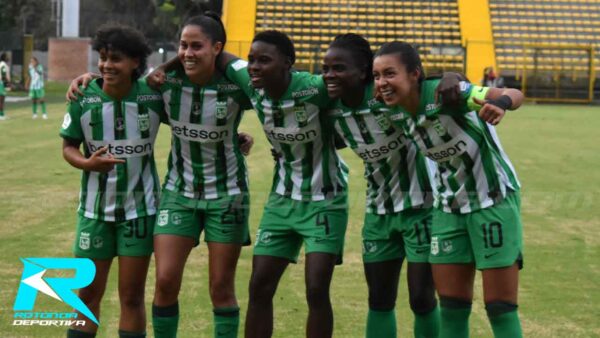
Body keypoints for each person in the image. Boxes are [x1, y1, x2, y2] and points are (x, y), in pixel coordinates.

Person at [68, 13, 255, 338]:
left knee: (220, 286)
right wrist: (89, 78)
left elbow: (268, 96)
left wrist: (237, 136)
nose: (187, 52)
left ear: (217, 48)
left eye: (197, 46)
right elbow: (120, 89)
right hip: (174, 195)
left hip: (225, 194)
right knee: (163, 280)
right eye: (183, 45)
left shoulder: (225, 87)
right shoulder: (159, 88)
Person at [373, 41, 524, 338]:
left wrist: (500, 104)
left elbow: (514, 94)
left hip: (492, 201)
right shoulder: (390, 107)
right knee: (452, 308)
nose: (382, 83)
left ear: (415, 74)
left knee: (500, 308)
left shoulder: (447, 94)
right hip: (447, 209)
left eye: (390, 74)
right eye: (377, 76)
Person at [323, 33, 466, 338]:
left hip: (423, 208)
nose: (329, 75)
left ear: (362, 71)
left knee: (422, 298)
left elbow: (424, 84)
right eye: (326, 68)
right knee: (379, 299)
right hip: (379, 212)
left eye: (339, 68)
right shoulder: (330, 105)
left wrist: (452, 74)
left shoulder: (386, 98)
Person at [223, 31, 349, 338]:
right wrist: (163, 68)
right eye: (252, 59)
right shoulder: (254, 88)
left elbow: (357, 81)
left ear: (287, 64)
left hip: (326, 198)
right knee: (259, 286)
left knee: (317, 289)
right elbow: (220, 55)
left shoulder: (314, 88)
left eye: (264, 60)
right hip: (281, 200)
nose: (254, 66)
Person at [60, 23, 162, 338]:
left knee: (131, 297)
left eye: (115, 59)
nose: (106, 65)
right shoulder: (82, 96)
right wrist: (87, 163)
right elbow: (68, 147)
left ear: (135, 62)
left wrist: (236, 136)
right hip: (94, 214)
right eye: (102, 57)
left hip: (139, 213)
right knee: (87, 298)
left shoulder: (154, 97)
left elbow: (190, 122)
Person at [0, 53, 10, 120]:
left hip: (1, 83)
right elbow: (3, 75)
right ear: (4, 58)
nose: (9, 58)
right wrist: (7, 85)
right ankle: (1, 115)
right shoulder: (3, 65)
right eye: (7, 57)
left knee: (2, 100)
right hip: (2, 84)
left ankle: (2, 114)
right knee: (1, 100)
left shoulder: (2, 64)